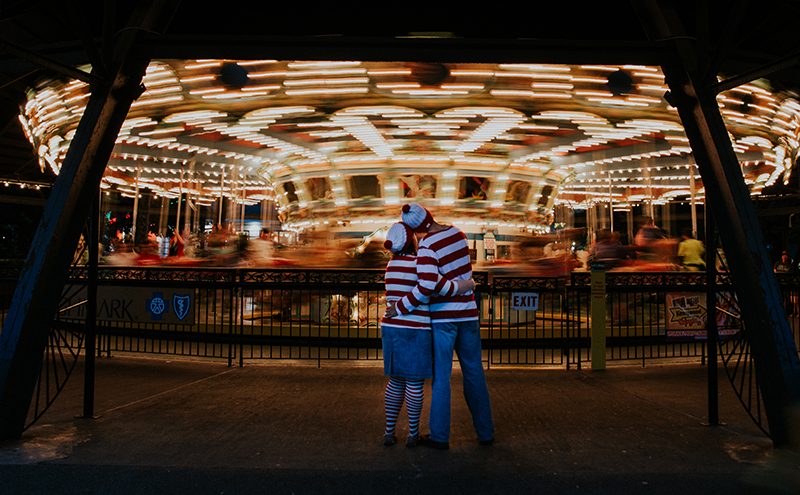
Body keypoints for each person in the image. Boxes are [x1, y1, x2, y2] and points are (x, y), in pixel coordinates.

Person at [386, 203, 494, 449]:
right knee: (474, 372)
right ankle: (485, 431)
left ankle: (440, 436)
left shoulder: (427, 246)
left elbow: (427, 286)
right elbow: (458, 273)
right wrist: (464, 286)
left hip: (443, 319)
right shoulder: (458, 233)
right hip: (469, 316)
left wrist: (399, 307)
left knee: (442, 378)